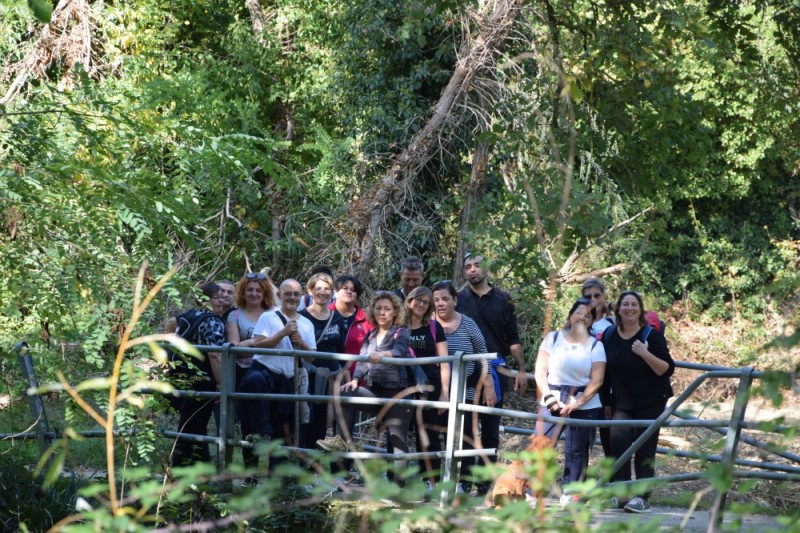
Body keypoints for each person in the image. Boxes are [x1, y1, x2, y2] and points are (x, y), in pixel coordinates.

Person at [317, 292, 415, 483]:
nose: (382, 312)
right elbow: (362, 362)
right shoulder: (370, 335)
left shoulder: (400, 332)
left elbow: (400, 351)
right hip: (375, 392)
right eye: (379, 308)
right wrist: (355, 380)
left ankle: (398, 488)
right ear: (373, 311)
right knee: (345, 392)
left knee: (397, 441)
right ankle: (341, 441)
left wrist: (383, 354)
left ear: (395, 312)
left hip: (398, 394)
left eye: (387, 309)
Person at [456, 253, 527, 493]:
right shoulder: (459, 300)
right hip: (468, 369)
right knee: (467, 428)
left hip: (496, 368)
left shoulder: (503, 300)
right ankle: (465, 481)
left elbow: (513, 338)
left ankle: (486, 484)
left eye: (477, 265)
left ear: (486, 269)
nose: (472, 270)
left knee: (490, 429)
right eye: (468, 266)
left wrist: (521, 369)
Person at [601, 291, 675, 514]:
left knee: (644, 449)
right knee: (619, 444)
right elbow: (604, 371)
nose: (630, 308)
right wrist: (606, 402)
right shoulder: (609, 334)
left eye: (634, 305)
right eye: (625, 304)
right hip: (621, 402)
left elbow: (667, 369)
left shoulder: (651, 335)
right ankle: (622, 493)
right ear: (618, 309)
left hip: (651, 401)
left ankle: (641, 497)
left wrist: (644, 353)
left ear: (640, 310)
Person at [534, 298, 606, 507]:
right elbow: (540, 370)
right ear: (570, 315)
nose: (582, 318)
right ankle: (534, 489)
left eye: (588, 315)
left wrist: (578, 402)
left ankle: (571, 492)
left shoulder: (596, 345)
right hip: (552, 397)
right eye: (579, 312)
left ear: (592, 321)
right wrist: (548, 397)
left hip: (584, 403)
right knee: (541, 444)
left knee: (575, 450)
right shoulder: (553, 338)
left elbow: (597, 380)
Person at [432, 280, 495, 495]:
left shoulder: (468, 323)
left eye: (445, 299)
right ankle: (437, 481)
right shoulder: (428, 323)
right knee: (436, 435)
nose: (440, 304)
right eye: (436, 300)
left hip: (466, 389)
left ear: (455, 300)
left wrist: (488, 384)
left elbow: (482, 354)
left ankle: (464, 483)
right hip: (436, 391)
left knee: (466, 435)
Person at [239, 279, 316, 451]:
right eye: (287, 294)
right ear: (279, 295)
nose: (292, 298)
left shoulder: (306, 324)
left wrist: (301, 342)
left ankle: (278, 467)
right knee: (254, 384)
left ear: (301, 297)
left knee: (281, 427)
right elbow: (259, 344)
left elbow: (311, 358)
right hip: (263, 372)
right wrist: (283, 333)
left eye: (296, 294)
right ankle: (260, 435)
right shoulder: (268, 317)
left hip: (287, 379)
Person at [170, 282, 227, 467]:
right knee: (193, 425)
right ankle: (179, 468)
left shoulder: (190, 315)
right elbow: (215, 354)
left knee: (192, 423)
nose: (221, 301)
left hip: (184, 376)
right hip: (202, 379)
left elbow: (170, 323)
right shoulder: (213, 321)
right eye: (216, 297)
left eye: (223, 297)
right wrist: (221, 384)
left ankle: (198, 468)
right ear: (203, 300)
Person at [226, 272, 277, 467]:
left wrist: (250, 343)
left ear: (265, 293)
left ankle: (275, 472)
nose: (254, 294)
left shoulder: (274, 313)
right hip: (244, 371)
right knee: (247, 421)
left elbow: (280, 342)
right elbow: (233, 347)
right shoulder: (235, 315)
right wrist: (259, 341)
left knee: (276, 419)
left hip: (272, 370)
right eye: (250, 290)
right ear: (243, 292)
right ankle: (251, 472)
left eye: (258, 290)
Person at [404, 286, 449, 487]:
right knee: (399, 430)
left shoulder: (433, 326)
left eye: (426, 302)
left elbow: (445, 362)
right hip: (404, 384)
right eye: (418, 300)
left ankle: (431, 480)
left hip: (431, 385)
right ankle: (397, 478)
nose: (421, 305)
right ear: (410, 300)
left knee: (428, 433)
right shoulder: (398, 325)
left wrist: (445, 393)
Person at [299, 272, 347, 449]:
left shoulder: (337, 318)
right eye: (318, 288)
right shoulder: (301, 317)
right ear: (310, 291)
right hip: (308, 376)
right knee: (307, 419)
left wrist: (343, 374)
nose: (323, 292)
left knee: (324, 420)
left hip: (332, 378)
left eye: (327, 289)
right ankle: (302, 458)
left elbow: (341, 348)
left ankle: (317, 460)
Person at [330, 275, 374, 376]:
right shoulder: (325, 315)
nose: (349, 291)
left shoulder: (367, 319)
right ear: (336, 292)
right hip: (328, 374)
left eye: (353, 290)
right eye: (345, 288)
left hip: (357, 375)